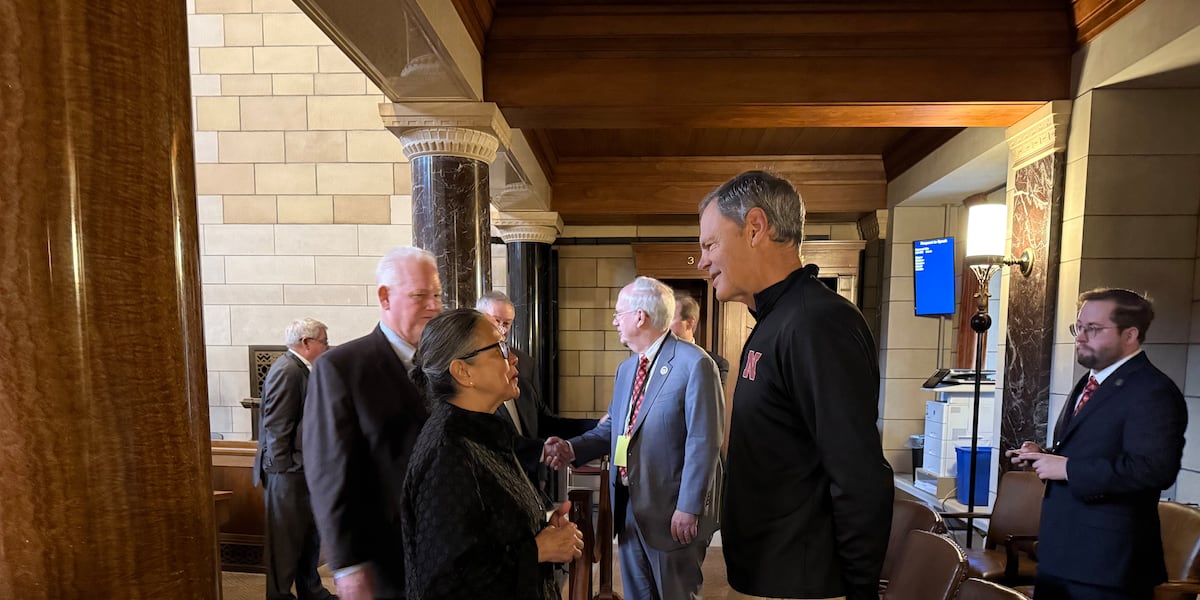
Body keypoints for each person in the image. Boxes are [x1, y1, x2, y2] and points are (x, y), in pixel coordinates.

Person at [697, 170, 892, 600]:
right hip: (766, 578)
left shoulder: (816, 322)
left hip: (800, 586)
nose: (702, 262)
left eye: (710, 245)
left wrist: (860, 594)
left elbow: (858, 475)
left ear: (755, 227)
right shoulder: (776, 320)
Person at [544, 276, 724, 600]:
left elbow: (704, 440)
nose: (614, 321)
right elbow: (615, 428)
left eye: (618, 313)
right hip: (628, 507)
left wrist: (689, 507)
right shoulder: (627, 369)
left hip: (673, 512)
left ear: (640, 316)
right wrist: (572, 448)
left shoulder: (695, 364)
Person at [1010, 288, 1187, 600]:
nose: (1080, 337)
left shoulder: (1152, 390)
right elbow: (1091, 451)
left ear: (1130, 334)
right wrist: (1044, 456)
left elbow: (1154, 469)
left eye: (1093, 329)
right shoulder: (1090, 381)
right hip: (1060, 556)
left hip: (1108, 565)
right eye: (1078, 327)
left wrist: (1068, 469)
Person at [401, 308, 584, 599]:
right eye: (499, 349)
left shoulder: (482, 431)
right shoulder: (447, 453)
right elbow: (444, 583)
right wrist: (538, 549)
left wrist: (542, 530)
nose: (513, 358)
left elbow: (491, 535)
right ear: (463, 372)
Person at [304, 246, 442, 600]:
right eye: (420, 296)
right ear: (385, 297)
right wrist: (348, 565)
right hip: (383, 561)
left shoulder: (443, 364)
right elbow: (329, 474)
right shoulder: (341, 368)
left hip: (444, 551)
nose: (434, 306)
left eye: (438, 295)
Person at [475, 290, 597, 494]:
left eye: (507, 323)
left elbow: (541, 422)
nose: (502, 329)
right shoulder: (470, 373)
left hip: (529, 483)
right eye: (496, 321)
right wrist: (543, 451)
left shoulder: (524, 364)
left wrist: (598, 427)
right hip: (492, 486)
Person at [254, 318, 336, 600]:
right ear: (306, 343)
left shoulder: (301, 369)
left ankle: (312, 592)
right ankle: (279, 596)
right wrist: (285, 470)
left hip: (302, 472)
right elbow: (276, 427)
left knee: (308, 537)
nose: (327, 347)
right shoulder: (287, 370)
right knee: (285, 546)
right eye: (324, 342)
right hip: (286, 475)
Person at [671, 293, 730, 386]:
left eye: (670, 318)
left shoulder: (717, 364)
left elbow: (710, 395)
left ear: (690, 323)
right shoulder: (652, 357)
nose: (663, 325)